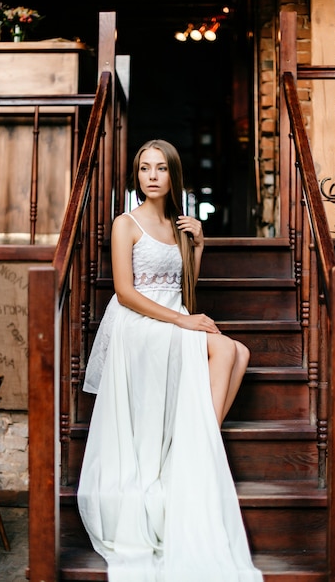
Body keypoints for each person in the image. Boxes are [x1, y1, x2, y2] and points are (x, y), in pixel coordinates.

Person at [77, 139, 263, 581]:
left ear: (173, 175)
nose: (152, 175)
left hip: (173, 313)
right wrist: (184, 323)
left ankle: (193, 444)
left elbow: (185, 286)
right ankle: (192, 450)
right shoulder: (127, 223)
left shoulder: (179, 225)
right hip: (137, 321)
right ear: (136, 176)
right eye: (145, 169)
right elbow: (125, 292)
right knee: (222, 347)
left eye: (161, 168)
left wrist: (198, 245)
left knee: (242, 351)